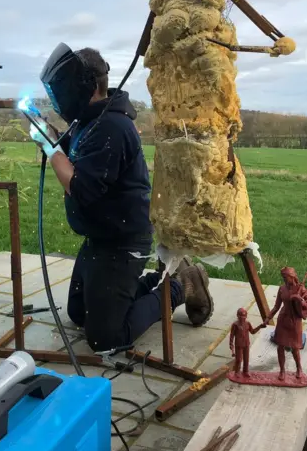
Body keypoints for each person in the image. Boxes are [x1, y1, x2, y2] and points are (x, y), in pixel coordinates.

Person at [30, 43, 213, 352]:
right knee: (78, 313)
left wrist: (50, 146)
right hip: (101, 236)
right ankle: (157, 281)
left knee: (105, 337)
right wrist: (47, 131)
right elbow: (73, 155)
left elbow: (82, 188)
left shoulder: (112, 127)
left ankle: (183, 286)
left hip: (124, 239)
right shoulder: (90, 121)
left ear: (85, 86)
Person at [263, 267, 307, 380]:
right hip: (283, 320)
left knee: (295, 347)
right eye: (283, 278)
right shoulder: (282, 289)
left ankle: (299, 368)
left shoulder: (301, 289)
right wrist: (268, 318)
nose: (285, 280)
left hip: (295, 321)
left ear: (292, 277)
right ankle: (282, 370)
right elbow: (276, 306)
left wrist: (300, 299)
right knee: (280, 346)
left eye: (286, 278)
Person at [229, 308, 264, 377]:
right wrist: (231, 345)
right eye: (241, 316)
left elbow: (253, 332)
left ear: (246, 316)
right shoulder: (235, 325)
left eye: (244, 316)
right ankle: (237, 371)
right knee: (238, 359)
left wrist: (260, 326)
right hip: (238, 345)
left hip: (246, 344)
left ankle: (246, 371)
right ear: (237, 316)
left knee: (246, 359)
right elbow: (231, 336)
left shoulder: (248, 323)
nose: (242, 318)